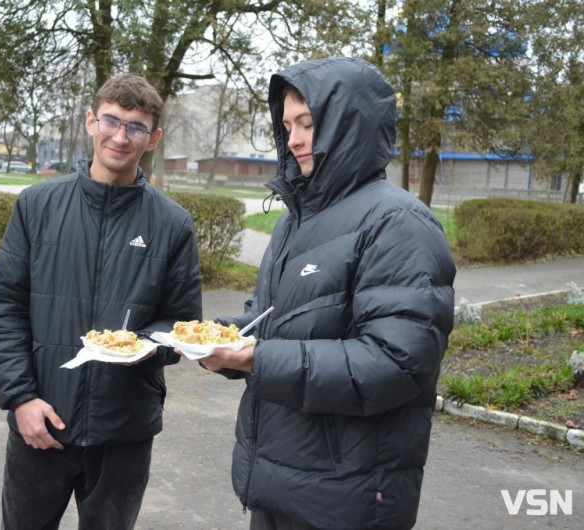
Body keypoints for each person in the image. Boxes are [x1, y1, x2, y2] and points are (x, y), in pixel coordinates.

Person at [191, 57, 456, 529]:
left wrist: (257, 359)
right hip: (278, 483)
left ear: (349, 125)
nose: (292, 139)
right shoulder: (296, 219)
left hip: (346, 499)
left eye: (308, 124)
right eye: (287, 125)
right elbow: (269, 323)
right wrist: (218, 342)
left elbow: (396, 364)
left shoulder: (399, 224)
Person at [0, 73, 202, 529]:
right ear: (91, 121)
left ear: (153, 138)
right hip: (41, 422)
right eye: (111, 121)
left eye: (136, 127)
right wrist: (20, 398)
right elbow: (6, 305)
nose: (120, 137)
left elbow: (182, 323)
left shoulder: (173, 224)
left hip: (124, 429)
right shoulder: (36, 206)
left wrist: (142, 346)